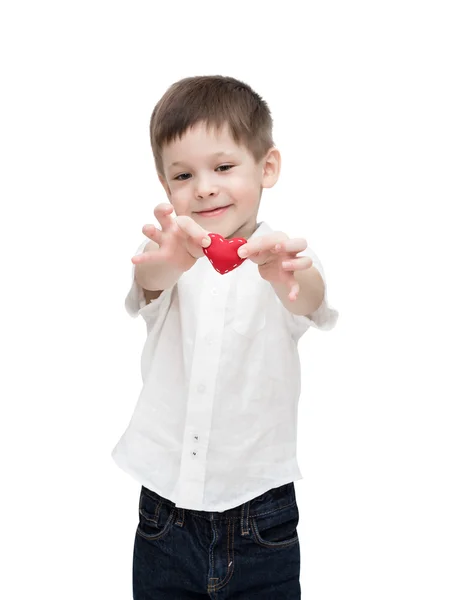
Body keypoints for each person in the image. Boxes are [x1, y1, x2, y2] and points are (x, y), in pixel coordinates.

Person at [112, 75, 338, 599]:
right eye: (183, 175)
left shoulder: (285, 254)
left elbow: (312, 301)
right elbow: (147, 286)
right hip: (164, 517)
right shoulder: (168, 253)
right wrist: (166, 264)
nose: (205, 187)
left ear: (267, 167)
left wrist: (291, 279)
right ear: (166, 186)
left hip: (263, 516)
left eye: (223, 167)